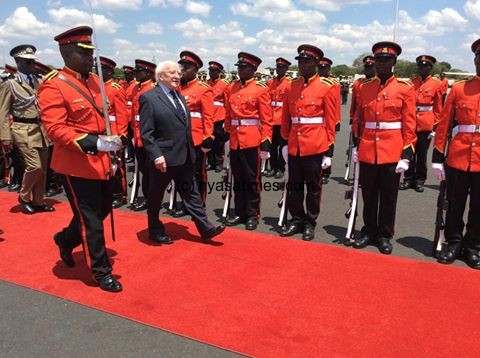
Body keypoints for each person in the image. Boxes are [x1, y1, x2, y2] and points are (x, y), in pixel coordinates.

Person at [38, 26, 123, 292]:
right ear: (67, 52)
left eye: (91, 52)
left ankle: (64, 239)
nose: (90, 58)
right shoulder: (54, 84)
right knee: (90, 220)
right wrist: (93, 142)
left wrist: (114, 140)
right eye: (84, 53)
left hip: (103, 158)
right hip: (76, 163)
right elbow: (55, 128)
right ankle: (100, 271)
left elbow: (103, 117)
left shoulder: (94, 80)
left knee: (103, 210)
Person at [139, 60, 225, 244]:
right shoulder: (149, 98)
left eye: (178, 73)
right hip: (163, 158)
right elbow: (146, 132)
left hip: (184, 156)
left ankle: (205, 228)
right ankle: (154, 229)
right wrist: (156, 155)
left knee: (191, 192)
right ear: (161, 76)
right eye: (173, 73)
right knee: (155, 195)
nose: (177, 76)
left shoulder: (177, 96)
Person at [352, 41, 416, 255]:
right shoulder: (365, 88)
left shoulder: (405, 89)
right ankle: (369, 230)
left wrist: (406, 154)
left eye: (386, 60)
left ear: (393, 62)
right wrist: (356, 145)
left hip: (392, 150)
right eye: (378, 60)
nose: (381, 64)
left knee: (388, 197)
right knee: (368, 194)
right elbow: (358, 120)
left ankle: (384, 234)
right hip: (368, 149)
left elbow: (409, 124)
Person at [431, 39, 480, 269]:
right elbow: (444, 124)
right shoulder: (460, 89)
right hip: (459, 157)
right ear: (475, 60)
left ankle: (473, 246)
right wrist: (437, 157)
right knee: (454, 204)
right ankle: (453, 242)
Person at [279, 44, 336, 241]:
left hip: (315, 145)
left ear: (317, 63)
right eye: (301, 61)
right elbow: (286, 115)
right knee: (294, 186)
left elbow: (330, 121)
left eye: (307, 61)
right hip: (295, 144)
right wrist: (285, 140)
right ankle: (296, 219)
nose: (303, 64)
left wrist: (329, 151)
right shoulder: (291, 86)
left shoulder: (326, 87)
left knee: (313, 188)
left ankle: (310, 222)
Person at [0, 44, 53, 215]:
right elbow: (3, 112)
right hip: (22, 129)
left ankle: (38, 200)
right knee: (34, 166)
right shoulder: (10, 84)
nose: (32, 65)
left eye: (33, 62)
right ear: (18, 62)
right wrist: (4, 136)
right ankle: (24, 197)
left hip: (40, 129)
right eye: (27, 62)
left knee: (43, 169)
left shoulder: (38, 82)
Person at [223, 52, 273, 231]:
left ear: (253, 69)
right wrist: (227, 133)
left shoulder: (261, 88)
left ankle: (252, 214)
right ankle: (239, 212)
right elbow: (228, 113)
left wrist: (266, 140)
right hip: (235, 138)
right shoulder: (232, 87)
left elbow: (266, 118)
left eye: (244, 67)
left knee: (252, 179)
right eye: (239, 67)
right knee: (238, 178)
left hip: (252, 138)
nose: (240, 70)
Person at [399, 55, 443, 193]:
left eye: (425, 66)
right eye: (420, 66)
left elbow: (438, 107)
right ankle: (408, 178)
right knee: (408, 151)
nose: (422, 68)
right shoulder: (412, 82)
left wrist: (435, 126)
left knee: (422, 154)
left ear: (430, 68)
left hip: (426, 123)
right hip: (410, 122)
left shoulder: (437, 84)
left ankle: (419, 180)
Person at [178, 50, 215, 207]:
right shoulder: (175, 88)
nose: (182, 69)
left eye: (187, 66)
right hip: (179, 139)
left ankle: (199, 204)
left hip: (196, 139)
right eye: (181, 65)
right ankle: (186, 202)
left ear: (195, 69)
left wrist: (208, 136)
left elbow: (208, 116)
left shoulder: (203, 88)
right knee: (181, 173)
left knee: (197, 173)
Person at [99, 56, 129, 208]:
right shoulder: (96, 87)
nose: (98, 72)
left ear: (110, 72)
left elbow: (122, 114)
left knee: (116, 166)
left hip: (113, 131)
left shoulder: (115, 89)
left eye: (102, 69)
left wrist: (122, 134)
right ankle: (106, 192)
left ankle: (119, 194)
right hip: (100, 130)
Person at [129, 59, 156, 211]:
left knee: (150, 171)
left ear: (147, 73)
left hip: (149, 136)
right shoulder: (135, 88)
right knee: (144, 170)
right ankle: (148, 197)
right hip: (138, 136)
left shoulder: (154, 89)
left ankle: (150, 199)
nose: (135, 74)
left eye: (138, 71)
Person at [266, 57, 291, 179]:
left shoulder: (290, 83)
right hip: (271, 118)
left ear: (286, 69)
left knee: (282, 146)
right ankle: (273, 167)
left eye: (282, 67)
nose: (279, 69)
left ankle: (281, 168)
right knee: (271, 145)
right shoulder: (270, 82)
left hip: (282, 119)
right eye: (277, 67)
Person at [317, 56, 341, 185]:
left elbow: (336, 104)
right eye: (320, 68)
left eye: (324, 68)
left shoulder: (334, 83)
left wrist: (337, 120)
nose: (322, 70)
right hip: (317, 121)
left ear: (329, 68)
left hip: (329, 119)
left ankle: (326, 172)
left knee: (328, 146)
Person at [206, 61, 229, 173]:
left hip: (220, 117)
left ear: (219, 72)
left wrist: (226, 120)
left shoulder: (224, 85)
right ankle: (210, 162)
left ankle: (219, 163)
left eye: (214, 71)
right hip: (208, 117)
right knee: (209, 140)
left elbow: (227, 103)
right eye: (210, 70)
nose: (211, 72)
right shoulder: (206, 84)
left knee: (219, 142)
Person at [349, 55, 376, 126]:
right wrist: (351, 118)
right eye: (366, 67)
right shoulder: (358, 83)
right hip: (357, 122)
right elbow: (353, 103)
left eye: (370, 67)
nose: (368, 69)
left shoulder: (379, 83)